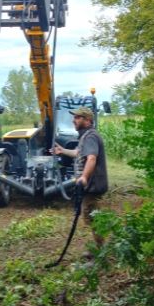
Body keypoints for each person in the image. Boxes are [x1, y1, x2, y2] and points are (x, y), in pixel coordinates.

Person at [51, 106, 108, 253]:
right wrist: (62, 151)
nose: (73, 120)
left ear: (88, 120)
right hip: (90, 186)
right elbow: (78, 153)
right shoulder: (85, 136)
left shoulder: (90, 137)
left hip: (93, 185)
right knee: (92, 218)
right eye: (74, 117)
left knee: (95, 219)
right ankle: (98, 248)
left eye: (77, 117)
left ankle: (100, 254)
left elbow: (91, 158)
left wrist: (83, 177)